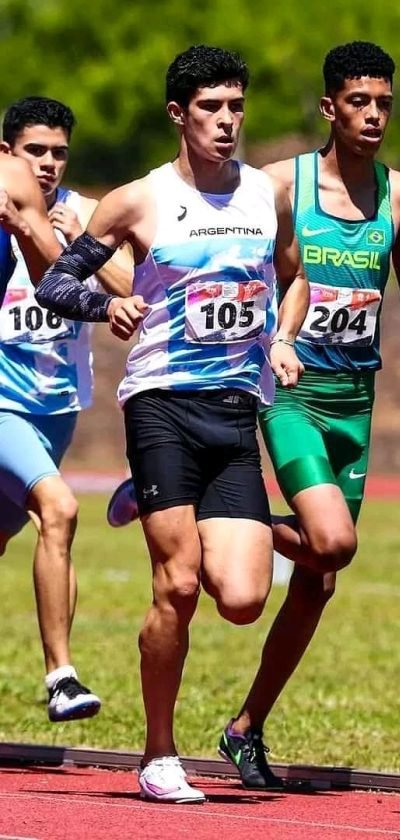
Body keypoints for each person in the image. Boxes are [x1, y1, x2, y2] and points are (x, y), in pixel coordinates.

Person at [36, 45, 309, 804]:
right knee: (179, 584)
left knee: (244, 596)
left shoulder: (265, 195)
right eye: (211, 108)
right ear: (178, 115)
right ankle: (160, 754)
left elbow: (295, 277)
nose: (227, 122)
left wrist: (282, 339)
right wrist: (108, 303)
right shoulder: (139, 200)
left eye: (236, 107)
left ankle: (140, 496)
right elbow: (60, 280)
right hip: (160, 401)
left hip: (235, 408)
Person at [163, 40, 400, 790]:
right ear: (329, 107)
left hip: (357, 403)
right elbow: (249, 262)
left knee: (317, 578)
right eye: (359, 102)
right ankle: (221, 526)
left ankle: (246, 729)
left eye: (383, 103)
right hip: (291, 395)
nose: (373, 115)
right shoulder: (281, 184)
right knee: (332, 541)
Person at [0, 97, 133, 722]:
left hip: (55, 409)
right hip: (3, 404)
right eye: (35, 151)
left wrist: (82, 245)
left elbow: (135, 286)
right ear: (8, 154)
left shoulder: (83, 212)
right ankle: (62, 676)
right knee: (59, 509)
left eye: (58, 153)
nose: (48, 164)